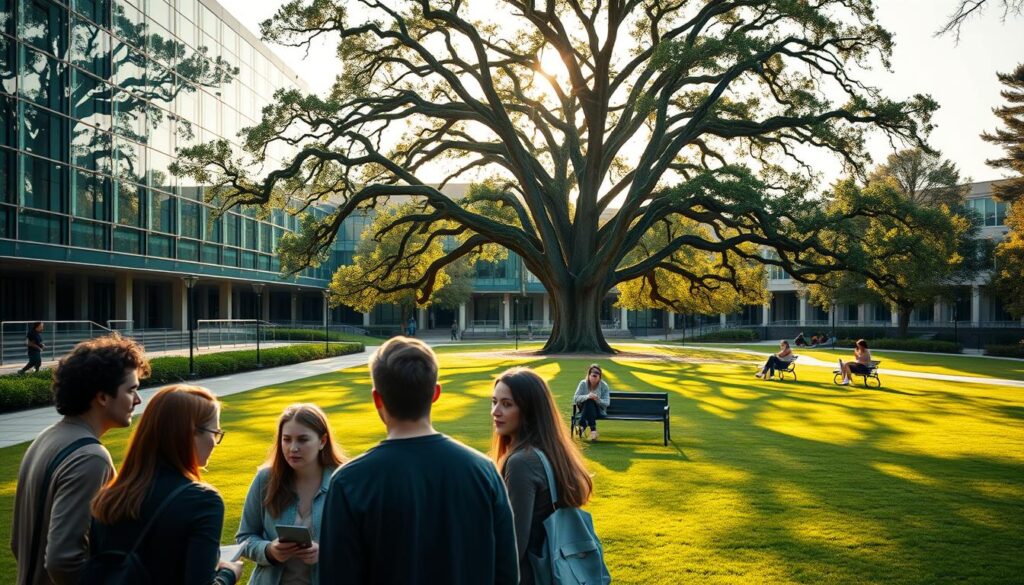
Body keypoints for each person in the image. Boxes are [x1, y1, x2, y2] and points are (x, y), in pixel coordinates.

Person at [318, 336, 518, 585]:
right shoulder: (483, 471)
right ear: (435, 393)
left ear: (377, 399)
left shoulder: (350, 482)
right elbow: (507, 573)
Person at [11, 334, 149, 585]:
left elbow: (17, 542)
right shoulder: (90, 458)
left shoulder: (46, 439)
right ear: (102, 397)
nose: (138, 400)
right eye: (131, 390)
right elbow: (62, 561)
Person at [84, 385, 242, 585]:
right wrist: (229, 573)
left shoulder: (109, 497)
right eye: (215, 432)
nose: (215, 442)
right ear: (190, 433)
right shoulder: (202, 501)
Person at [490, 367, 594, 585]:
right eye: (494, 402)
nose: (496, 411)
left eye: (507, 404)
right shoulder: (550, 451)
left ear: (529, 411)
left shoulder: (522, 463)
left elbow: (513, 547)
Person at [236, 404, 346, 585]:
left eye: (303, 440)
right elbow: (245, 537)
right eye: (286, 439)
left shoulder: (343, 482)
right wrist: (269, 550)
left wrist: (326, 553)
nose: (293, 448)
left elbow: (365, 543)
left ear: (322, 441)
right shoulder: (265, 479)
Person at [573, 364, 611, 441]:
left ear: (600, 377)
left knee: (590, 402)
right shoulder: (583, 383)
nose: (594, 378)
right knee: (589, 401)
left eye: (596, 376)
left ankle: (582, 425)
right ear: (589, 375)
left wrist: (597, 400)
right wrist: (587, 396)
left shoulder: (604, 386)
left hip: (598, 411)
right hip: (584, 410)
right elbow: (575, 398)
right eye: (593, 376)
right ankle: (593, 431)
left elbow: (607, 403)